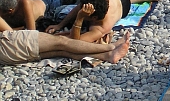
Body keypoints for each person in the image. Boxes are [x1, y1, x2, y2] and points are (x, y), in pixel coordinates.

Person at [45, 0, 163, 42]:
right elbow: (78, 7)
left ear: (94, 18)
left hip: (122, 6)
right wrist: (60, 25)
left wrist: (80, 18)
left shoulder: (100, 28)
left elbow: (76, 41)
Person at [0, 19, 130, 65]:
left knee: (61, 51)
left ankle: (106, 55)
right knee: (62, 42)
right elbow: (8, 31)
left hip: (7, 56)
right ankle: (111, 47)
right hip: (8, 42)